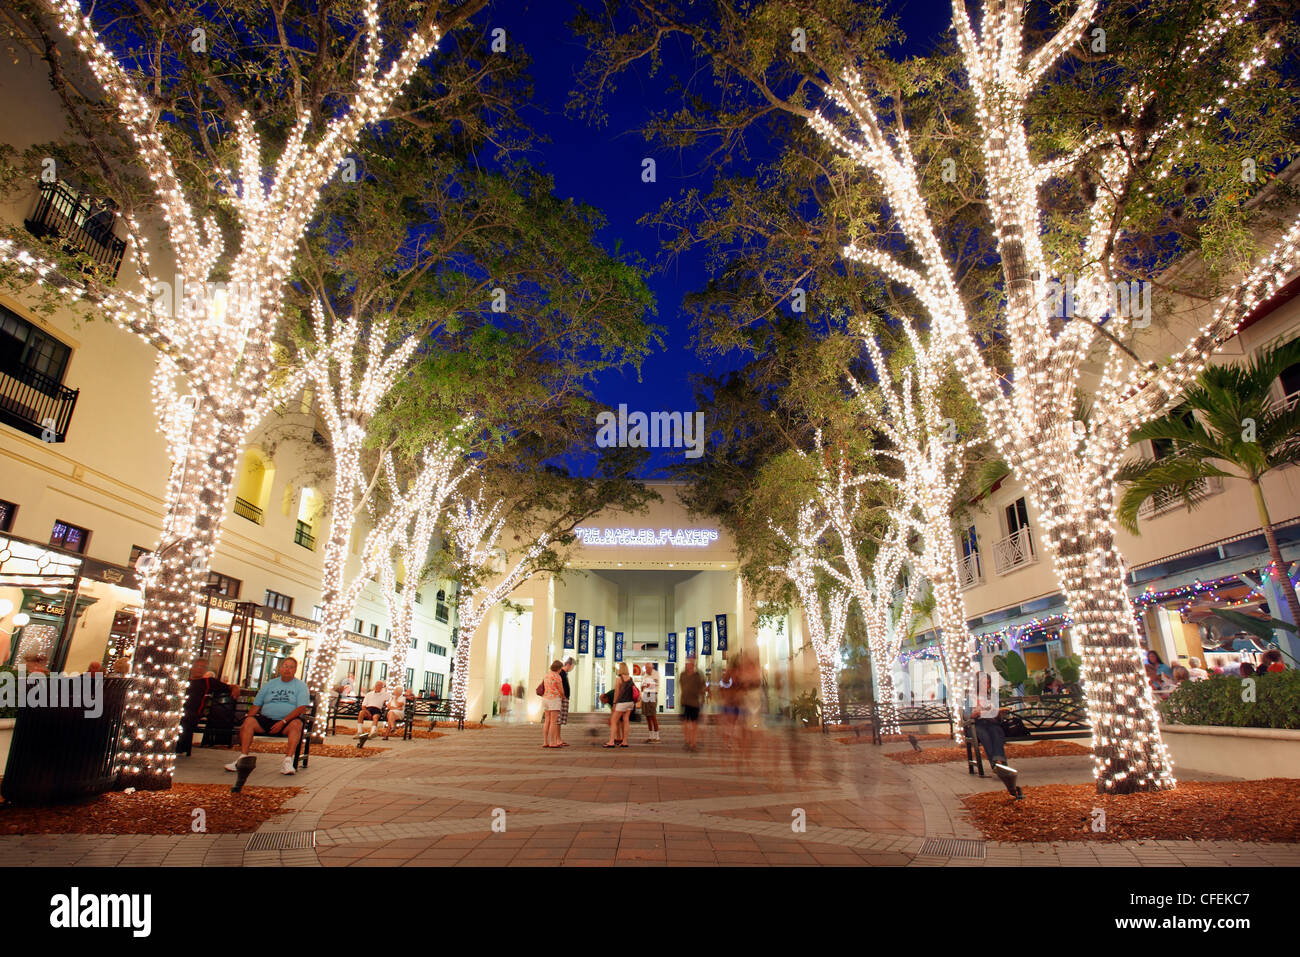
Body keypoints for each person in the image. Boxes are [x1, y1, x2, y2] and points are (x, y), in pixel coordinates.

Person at [224, 656, 311, 775]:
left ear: (295, 670)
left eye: (291, 667)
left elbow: (301, 708)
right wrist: (247, 719)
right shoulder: (269, 684)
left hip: (287, 722)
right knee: (249, 722)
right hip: (266, 720)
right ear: (280, 668)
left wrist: (283, 722)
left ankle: (287, 761)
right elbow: (257, 705)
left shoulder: (300, 686)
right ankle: (242, 759)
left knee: (297, 724)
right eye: (285, 666)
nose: (287, 669)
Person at [604, 662, 634, 748]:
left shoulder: (619, 678)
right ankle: (624, 742)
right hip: (630, 703)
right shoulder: (630, 678)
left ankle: (611, 742)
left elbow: (616, 692)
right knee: (626, 720)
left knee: (614, 721)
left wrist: (614, 704)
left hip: (622, 703)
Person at [679, 657, 705, 752]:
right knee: (685, 722)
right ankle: (687, 741)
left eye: (690, 664)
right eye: (687, 664)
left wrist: (702, 700)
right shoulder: (683, 675)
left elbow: (702, 688)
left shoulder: (697, 676)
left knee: (694, 724)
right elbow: (682, 686)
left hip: (694, 703)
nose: (688, 665)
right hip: (684, 702)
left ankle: (693, 743)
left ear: (693, 665)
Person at [541, 661, 565, 748]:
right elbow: (561, 690)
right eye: (560, 669)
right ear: (558, 668)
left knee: (547, 720)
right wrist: (563, 697)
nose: (561, 671)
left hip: (545, 699)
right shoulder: (557, 676)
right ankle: (552, 742)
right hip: (554, 699)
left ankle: (545, 742)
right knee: (554, 721)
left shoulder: (547, 674)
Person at [557, 657, 575, 746]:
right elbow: (560, 686)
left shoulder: (564, 673)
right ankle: (557, 739)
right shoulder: (562, 673)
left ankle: (558, 738)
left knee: (560, 721)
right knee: (558, 720)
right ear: (568, 664)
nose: (572, 669)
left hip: (564, 698)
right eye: (573, 666)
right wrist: (563, 696)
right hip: (562, 699)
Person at [641, 662, 660, 743]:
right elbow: (642, 687)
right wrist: (644, 686)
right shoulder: (645, 675)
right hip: (645, 694)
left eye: (647, 668)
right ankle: (650, 736)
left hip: (652, 694)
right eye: (645, 668)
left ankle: (657, 737)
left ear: (651, 668)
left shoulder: (656, 674)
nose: (646, 670)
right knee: (647, 716)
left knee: (653, 715)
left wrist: (647, 685)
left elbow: (653, 684)